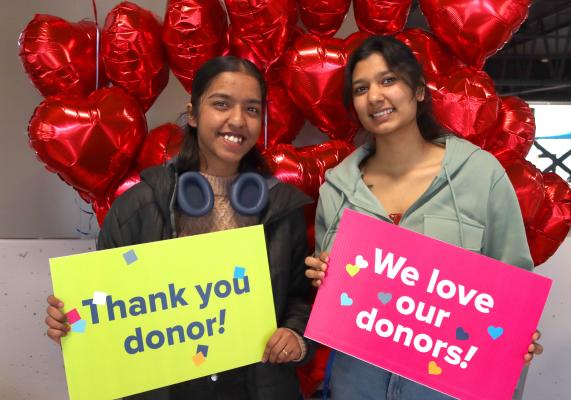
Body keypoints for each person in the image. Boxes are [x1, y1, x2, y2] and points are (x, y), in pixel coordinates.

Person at [45, 56, 313, 400]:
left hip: (255, 387)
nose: (237, 120)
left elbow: (300, 299)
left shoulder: (281, 209)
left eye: (251, 109)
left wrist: (295, 334)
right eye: (221, 104)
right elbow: (103, 307)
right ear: (193, 113)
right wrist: (71, 321)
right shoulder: (137, 208)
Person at [305, 36, 543, 399]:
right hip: (357, 385)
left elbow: (513, 285)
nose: (375, 97)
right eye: (360, 88)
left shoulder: (479, 174)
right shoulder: (336, 190)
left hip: (448, 388)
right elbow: (336, 299)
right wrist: (322, 277)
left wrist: (516, 334)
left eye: (388, 81)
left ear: (417, 90)